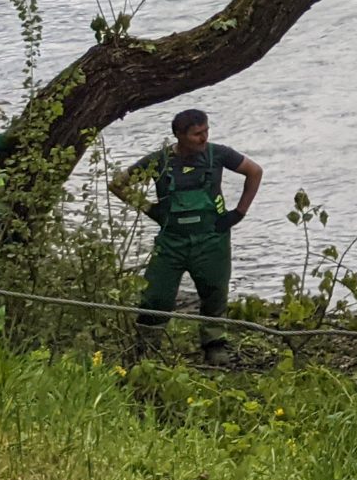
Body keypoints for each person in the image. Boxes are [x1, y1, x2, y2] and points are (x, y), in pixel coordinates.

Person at [110, 109, 261, 360]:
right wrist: (148, 209)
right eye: (196, 134)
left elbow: (255, 172)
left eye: (206, 131)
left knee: (214, 293)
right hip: (172, 242)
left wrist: (239, 213)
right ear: (179, 135)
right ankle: (147, 349)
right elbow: (117, 184)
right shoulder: (159, 161)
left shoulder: (218, 154)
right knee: (155, 294)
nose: (203, 138)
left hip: (212, 238)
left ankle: (214, 347)